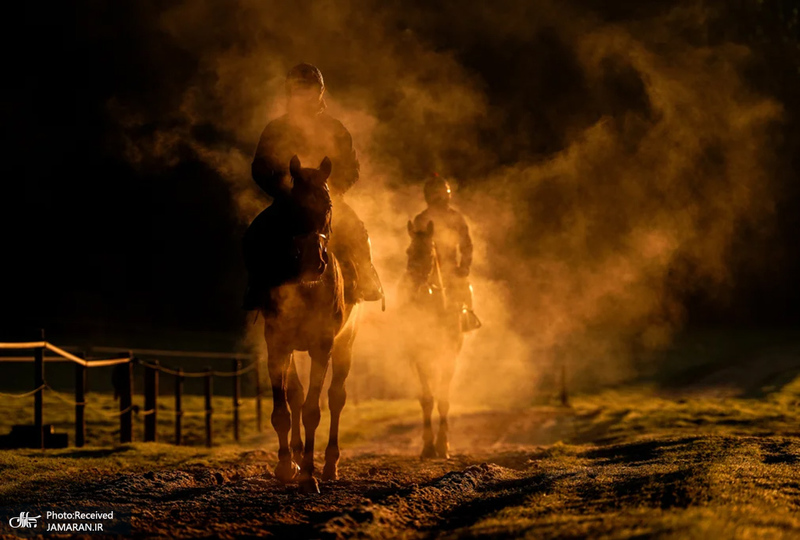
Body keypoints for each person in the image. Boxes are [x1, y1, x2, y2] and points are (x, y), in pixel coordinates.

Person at [245, 63, 384, 308]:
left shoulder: (336, 129)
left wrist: (330, 192)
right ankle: (256, 287)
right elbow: (261, 167)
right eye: (299, 89)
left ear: (319, 92)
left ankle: (363, 280)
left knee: (357, 233)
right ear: (290, 92)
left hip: (325, 202)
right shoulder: (276, 129)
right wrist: (283, 191)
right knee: (256, 234)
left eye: (309, 89)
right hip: (289, 201)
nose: (304, 94)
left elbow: (351, 168)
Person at [412, 174, 480, 331]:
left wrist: (464, 267)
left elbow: (466, 245)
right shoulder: (421, 219)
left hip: (451, 269)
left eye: (440, 195)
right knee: (406, 288)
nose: (439, 200)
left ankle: (466, 321)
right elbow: (415, 247)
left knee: (464, 289)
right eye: (435, 196)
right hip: (425, 269)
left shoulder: (456, 218)